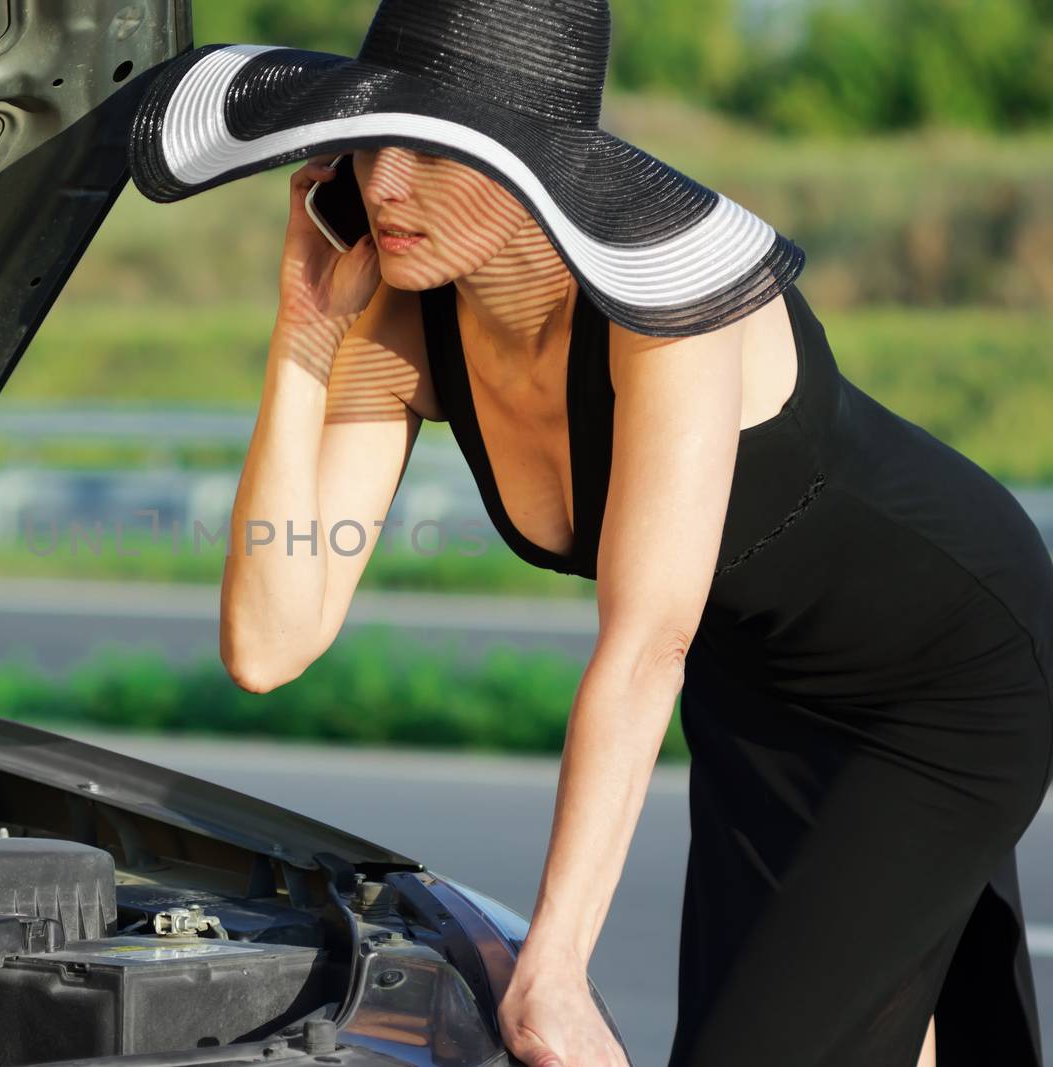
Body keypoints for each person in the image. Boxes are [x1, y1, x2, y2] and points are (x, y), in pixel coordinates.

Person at [125, 1, 1053, 1065]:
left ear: (535, 165)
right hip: (754, 684)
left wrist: (553, 965)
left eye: (431, 153)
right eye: (371, 137)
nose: (381, 185)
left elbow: (643, 641)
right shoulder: (402, 313)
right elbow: (272, 638)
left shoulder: (671, 306)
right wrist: (304, 330)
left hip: (937, 675)